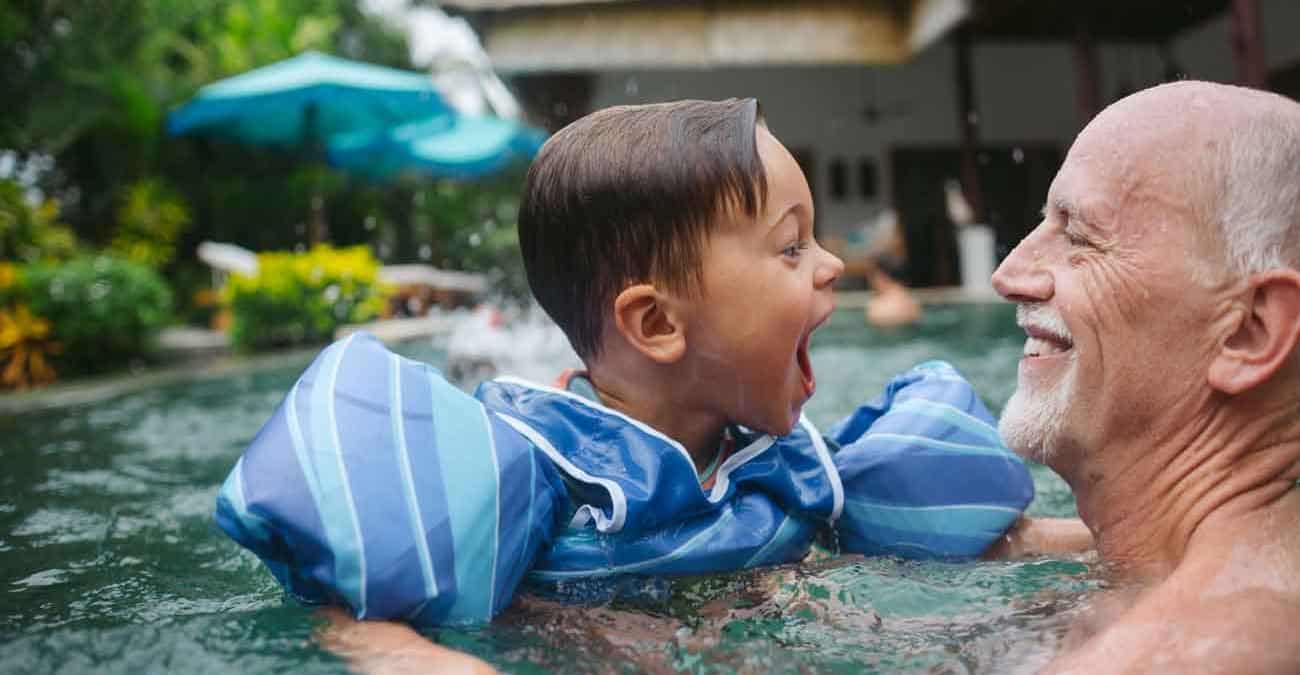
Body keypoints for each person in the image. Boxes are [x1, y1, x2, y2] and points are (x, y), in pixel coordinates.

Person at [214, 99, 1072, 668]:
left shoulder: (797, 465)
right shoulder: (540, 475)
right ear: (657, 323)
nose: (831, 265)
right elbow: (357, 610)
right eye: (790, 246)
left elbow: (1015, 545)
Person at [991, 81, 1300, 674]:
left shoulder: (1183, 655)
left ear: (1249, 331)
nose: (1009, 274)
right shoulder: (1225, 553)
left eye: (1079, 237)